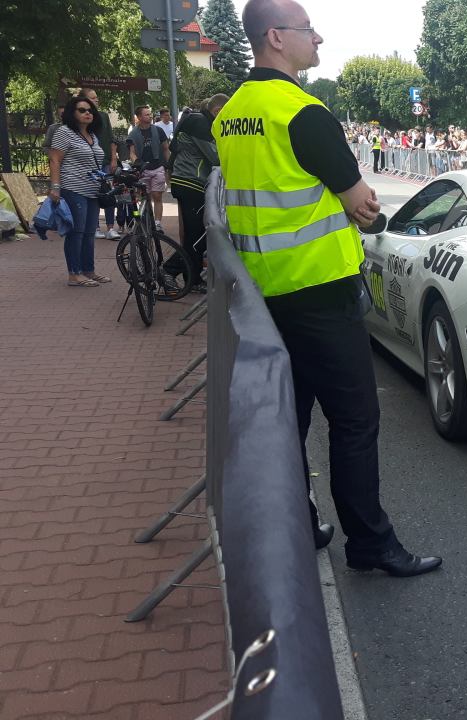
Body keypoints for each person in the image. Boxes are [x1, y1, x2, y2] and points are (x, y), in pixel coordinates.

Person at [220, 0, 441, 576]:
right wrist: (362, 213)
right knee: (355, 421)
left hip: (262, 297)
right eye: (307, 30)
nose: (318, 39)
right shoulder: (303, 112)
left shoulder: (232, 112)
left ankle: (302, 523)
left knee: (290, 420)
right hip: (320, 289)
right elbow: (364, 203)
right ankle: (370, 544)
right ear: (275, 38)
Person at [165, 93, 229, 290]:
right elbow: (215, 156)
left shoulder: (194, 120)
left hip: (185, 181)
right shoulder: (201, 124)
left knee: (195, 233)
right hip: (192, 182)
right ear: (217, 111)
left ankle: (191, 280)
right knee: (199, 236)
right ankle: (168, 270)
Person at [48, 96, 108, 287]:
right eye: (82, 110)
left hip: (92, 190)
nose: (88, 113)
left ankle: (88, 270)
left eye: (90, 110)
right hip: (72, 188)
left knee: (90, 232)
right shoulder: (64, 132)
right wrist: (55, 187)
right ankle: (74, 274)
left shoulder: (92, 135)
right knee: (77, 231)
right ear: (71, 113)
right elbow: (55, 160)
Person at [80, 89, 121, 239]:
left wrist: (113, 159)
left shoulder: (103, 116)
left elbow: (111, 138)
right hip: (90, 163)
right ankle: (95, 227)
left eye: (97, 97)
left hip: (104, 162)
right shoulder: (81, 119)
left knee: (109, 194)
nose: (96, 100)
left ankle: (110, 227)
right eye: (93, 98)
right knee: (93, 194)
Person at [127, 105, 171, 231]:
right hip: (143, 169)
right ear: (139, 117)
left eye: (150, 114)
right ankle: (145, 220)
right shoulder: (133, 134)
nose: (150, 116)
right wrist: (137, 163)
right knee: (143, 197)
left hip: (157, 167)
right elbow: (132, 152)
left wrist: (168, 165)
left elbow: (166, 148)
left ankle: (157, 223)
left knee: (157, 195)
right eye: (146, 114)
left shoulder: (158, 131)